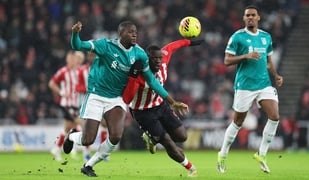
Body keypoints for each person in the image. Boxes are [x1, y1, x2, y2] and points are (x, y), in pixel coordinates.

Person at [63, 21, 189, 177]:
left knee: (115, 136)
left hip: (117, 98)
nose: (134, 34)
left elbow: (151, 80)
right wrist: (75, 33)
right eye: (130, 32)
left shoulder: (140, 54)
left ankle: (88, 165)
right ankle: (72, 136)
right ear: (121, 34)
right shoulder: (105, 45)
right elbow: (78, 46)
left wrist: (172, 102)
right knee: (88, 139)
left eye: (135, 31)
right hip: (96, 94)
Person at [216, 5, 283, 174]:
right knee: (238, 122)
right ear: (244, 19)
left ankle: (261, 154)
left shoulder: (266, 37)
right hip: (244, 85)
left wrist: (275, 75)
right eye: (248, 16)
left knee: (274, 116)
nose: (251, 18)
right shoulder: (237, 37)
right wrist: (245, 56)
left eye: (253, 15)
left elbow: (268, 60)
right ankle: (222, 154)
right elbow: (226, 61)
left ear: (258, 17)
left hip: (264, 84)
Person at [122, 39, 203, 177]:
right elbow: (127, 99)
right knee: (167, 142)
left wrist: (190, 42)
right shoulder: (140, 74)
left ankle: (153, 138)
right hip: (143, 112)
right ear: (147, 59)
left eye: (160, 58)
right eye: (155, 59)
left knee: (182, 136)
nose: (159, 61)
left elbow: (172, 46)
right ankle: (191, 168)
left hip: (160, 105)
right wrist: (132, 76)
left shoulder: (163, 61)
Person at [48, 50, 85, 161]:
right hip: (67, 105)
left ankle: (57, 148)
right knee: (83, 125)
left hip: (76, 105)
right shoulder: (63, 71)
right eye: (72, 58)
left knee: (68, 129)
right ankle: (85, 153)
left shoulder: (79, 71)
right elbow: (51, 83)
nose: (74, 60)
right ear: (68, 59)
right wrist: (62, 93)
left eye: (75, 58)